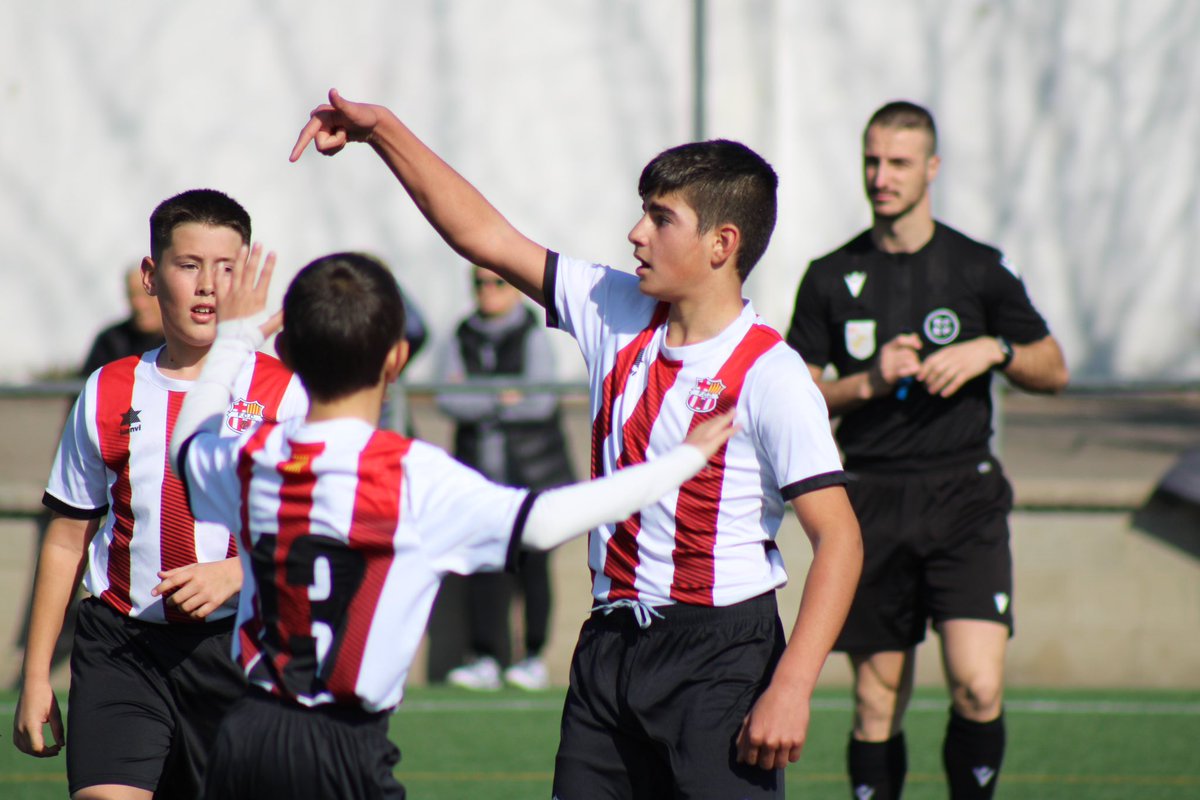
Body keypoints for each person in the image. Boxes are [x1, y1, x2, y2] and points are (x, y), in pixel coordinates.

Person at [290, 88, 863, 799]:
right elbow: (485, 238)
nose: (635, 233)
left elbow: (839, 539)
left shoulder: (771, 373)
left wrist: (793, 686)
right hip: (609, 650)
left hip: (722, 659)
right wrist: (385, 134)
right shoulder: (613, 306)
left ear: (722, 244)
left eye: (660, 218)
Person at [170, 247, 738, 799]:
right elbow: (542, 523)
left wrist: (236, 341)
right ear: (396, 358)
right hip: (341, 744)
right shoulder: (414, 477)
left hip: (244, 731)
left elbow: (187, 446)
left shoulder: (252, 456)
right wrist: (678, 462)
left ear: (287, 355)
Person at [785, 101, 1069, 800]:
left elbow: (1053, 368)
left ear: (932, 169)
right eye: (872, 162)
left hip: (962, 493)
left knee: (977, 684)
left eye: (899, 163)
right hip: (870, 499)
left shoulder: (978, 269)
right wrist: (868, 381)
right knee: (877, 703)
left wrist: (992, 350)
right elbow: (793, 397)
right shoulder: (829, 275)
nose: (882, 177)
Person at [11, 189, 308, 800]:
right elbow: (68, 539)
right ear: (151, 275)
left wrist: (238, 571)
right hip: (123, 646)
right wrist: (36, 674)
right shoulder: (107, 389)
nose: (207, 286)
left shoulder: (286, 393)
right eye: (188, 265)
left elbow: (324, 528)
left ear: (248, 275)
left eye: (226, 268)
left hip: (241, 650)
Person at [438, 265, 575, 691]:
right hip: (480, 474)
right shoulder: (461, 334)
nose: (487, 291)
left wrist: (480, 395)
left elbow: (538, 402)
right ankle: (486, 656)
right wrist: (504, 395)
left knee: (533, 565)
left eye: (497, 283)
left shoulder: (533, 334)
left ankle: (531, 656)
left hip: (531, 472)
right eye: (478, 283)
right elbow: (448, 397)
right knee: (484, 564)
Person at [81, 266, 166, 377]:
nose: (139, 304)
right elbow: (85, 389)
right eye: (132, 295)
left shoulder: (185, 340)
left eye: (147, 294)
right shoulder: (111, 341)